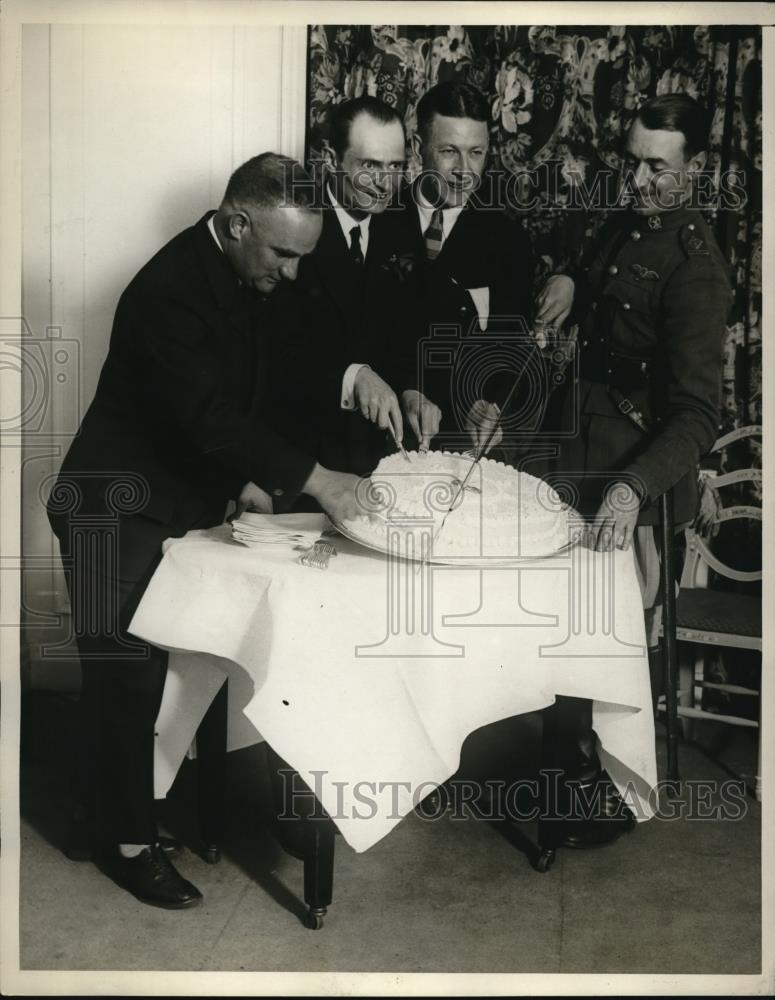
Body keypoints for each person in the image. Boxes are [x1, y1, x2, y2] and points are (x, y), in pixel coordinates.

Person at [47, 153, 367, 908]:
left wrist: (354, 383)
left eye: (300, 257)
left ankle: (115, 808)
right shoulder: (167, 290)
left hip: (170, 504)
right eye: (282, 254)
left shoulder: (236, 274)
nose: (289, 274)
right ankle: (124, 841)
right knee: (125, 676)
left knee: (185, 660)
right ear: (235, 223)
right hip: (108, 507)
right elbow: (207, 418)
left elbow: (264, 377)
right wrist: (318, 479)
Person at [547, 93, 732, 847]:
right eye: (631, 160)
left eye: (657, 166)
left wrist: (631, 486)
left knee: (606, 629)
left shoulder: (697, 270)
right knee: (558, 616)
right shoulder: (622, 226)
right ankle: (564, 759)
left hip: (638, 473)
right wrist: (565, 279)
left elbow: (697, 415)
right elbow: (598, 283)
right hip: (580, 444)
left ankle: (610, 786)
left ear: (695, 169)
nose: (638, 179)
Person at [395, 79, 575, 456]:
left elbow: (510, 347)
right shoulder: (380, 220)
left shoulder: (507, 241)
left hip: (459, 439)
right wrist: (407, 387)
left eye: (476, 153)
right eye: (449, 151)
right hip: (380, 428)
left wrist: (490, 404)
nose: (464, 170)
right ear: (418, 148)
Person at [277, 95, 442, 478]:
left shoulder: (401, 226)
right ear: (331, 159)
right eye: (370, 165)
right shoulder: (292, 223)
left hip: (371, 459)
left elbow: (405, 330)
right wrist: (352, 375)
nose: (385, 184)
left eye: (396, 167)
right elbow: (275, 351)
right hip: (299, 459)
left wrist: (410, 390)